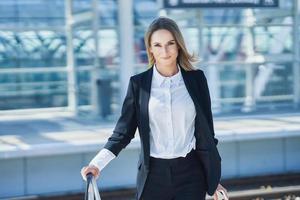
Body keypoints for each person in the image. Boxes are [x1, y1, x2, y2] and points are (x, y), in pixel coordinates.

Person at [81, 17, 228, 200]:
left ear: (178, 45)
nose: (165, 51)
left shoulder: (197, 80)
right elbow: (122, 133)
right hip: (153, 176)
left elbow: (207, 134)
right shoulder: (138, 84)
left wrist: (213, 180)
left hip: (192, 174)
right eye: (157, 45)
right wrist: (96, 165)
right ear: (150, 48)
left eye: (170, 43)